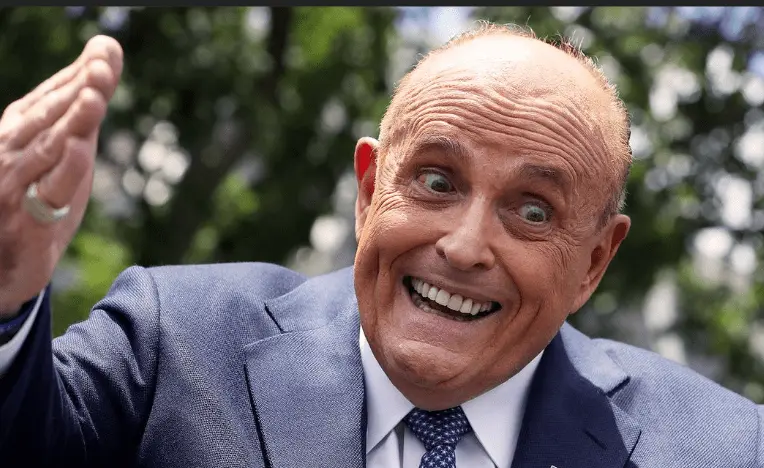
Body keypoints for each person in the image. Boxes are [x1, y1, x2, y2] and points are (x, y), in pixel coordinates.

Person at [0, 21, 761, 468]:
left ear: (594, 262)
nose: (464, 246)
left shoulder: (724, 449)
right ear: (369, 192)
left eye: (533, 211)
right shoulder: (177, 340)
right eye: (436, 181)